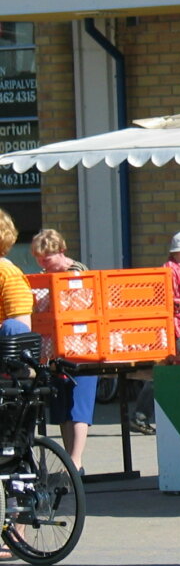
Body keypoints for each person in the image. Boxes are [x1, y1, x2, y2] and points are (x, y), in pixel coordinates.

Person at [30, 228, 95, 472]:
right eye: (38, 257)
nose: (42, 263)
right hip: (55, 349)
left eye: (46, 257)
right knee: (62, 406)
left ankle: (75, 461)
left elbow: (77, 306)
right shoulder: (45, 276)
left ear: (61, 251)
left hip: (81, 347)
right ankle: (71, 460)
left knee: (79, 406)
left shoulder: (75, 272)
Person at [131, 231, 180, 435]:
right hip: (177, 328)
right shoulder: (169, 272)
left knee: (167, 370)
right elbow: (169, 303)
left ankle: (141, 415)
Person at [0, 209, 32, 562]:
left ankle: (16, 534)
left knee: (13, 456)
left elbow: (18, 330)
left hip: (11, 381)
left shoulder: (8, 274)